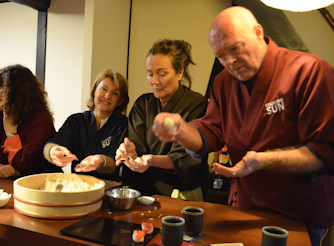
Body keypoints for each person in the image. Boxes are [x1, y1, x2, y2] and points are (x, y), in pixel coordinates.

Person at [152, 7, 334, 246]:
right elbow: (211, 130)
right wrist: (181, 130)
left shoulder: (309, 71)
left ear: (258, 33)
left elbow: (324, 150)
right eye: (220, 56)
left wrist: (262, 161)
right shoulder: (223, 82)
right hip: (244, 207)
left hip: (297, 213)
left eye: (235, 48)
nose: (230, 62)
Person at [115, 39, 209, 201]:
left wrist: (151, 160)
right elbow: (135, 145)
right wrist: (130, 152)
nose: (154, 81)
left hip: (179, 192)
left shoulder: (196, 104)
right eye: (150, 74)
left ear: (179, 72)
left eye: (162, 74)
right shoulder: (143, 104)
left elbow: (186, 158)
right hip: (141, 190)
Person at [43, 69, 129, 181]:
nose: (107, 96)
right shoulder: (76, 121)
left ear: (120, 101)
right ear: (94, 91)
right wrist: (53, 151)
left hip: (109, 189)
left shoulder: (123, 125)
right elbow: (54, 142)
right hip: (79, 186)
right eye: (104, 89)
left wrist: (100, 160)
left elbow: (114, 162)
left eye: (115, 93)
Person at [0, 65, 55, 178]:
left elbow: (24, 167)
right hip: (5, 183)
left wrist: (10, 132)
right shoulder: (1, 116)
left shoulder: (41, 121)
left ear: (13, 94)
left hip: (35, 187)